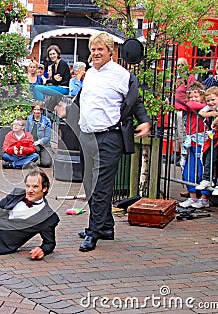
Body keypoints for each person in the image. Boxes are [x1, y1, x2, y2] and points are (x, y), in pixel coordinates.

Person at [55, 32, 150, 252]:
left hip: (109, 137)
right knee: (89, 184)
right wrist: (66, 110)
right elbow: (81, 102)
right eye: (93, 49)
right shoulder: (89, 74)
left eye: (100, 49)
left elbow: (136, 102)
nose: (96, 53)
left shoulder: (121, 75)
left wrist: (144, 121)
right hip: (88, 136)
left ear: (110, 51)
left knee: (100, 186)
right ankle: (105, 226)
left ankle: (93, 232)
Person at [178, 82, 209, 208]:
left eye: (196, 96)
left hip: (202, 142)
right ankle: (193, 197)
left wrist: (190, 103)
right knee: (188, 170)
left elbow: (196, 106)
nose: (193, 100)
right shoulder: (188, 107)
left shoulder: (206, 107)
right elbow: (180, 105)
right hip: (190, 142)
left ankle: (204, 197)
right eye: (190, 97)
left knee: (203, 171)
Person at [196, 87, 218, 196]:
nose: (211, 103)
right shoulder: (214, 106)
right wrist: (211, 114)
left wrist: (213, 123)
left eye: (213, 100)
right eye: (208, 101)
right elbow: (201, 112)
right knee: (210, 157)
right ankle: (207, 179)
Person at [25, 101, 52, 168]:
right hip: (32, 144)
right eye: (35, 109)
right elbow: (26, 132)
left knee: (46, 164)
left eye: (38, 109)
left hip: (44, 145)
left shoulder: (47, 121)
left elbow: (47, 137)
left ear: (41, 110)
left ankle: (41, 157)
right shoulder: (29, 118)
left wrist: (38, 142)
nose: (36, 111)